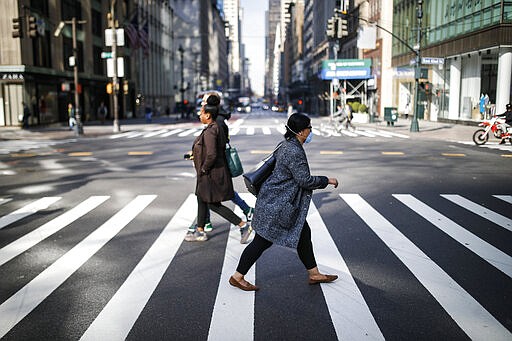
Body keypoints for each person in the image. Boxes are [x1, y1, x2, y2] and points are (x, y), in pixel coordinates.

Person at [229, 113, 339, 291]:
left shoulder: (286, 145)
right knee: (261, 241)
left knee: (303, 233)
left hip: (275, 201)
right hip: (277, 205)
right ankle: (237, 276)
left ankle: (314, 273)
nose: (311, 131)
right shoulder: (294, 151)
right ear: (302, 132)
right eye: (309, 128)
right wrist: (327, 180)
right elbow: (304, 180)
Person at [185, 94, 252, 243]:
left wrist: (203, 168)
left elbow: (212, 154)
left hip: (210, 174)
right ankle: (200, 230)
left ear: (208, 115)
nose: (199, 115)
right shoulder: (215, 127)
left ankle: (242, 225)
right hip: (211, 173)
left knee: (212, 203)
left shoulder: (211, 130)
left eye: (201, 113)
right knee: (201, 198)